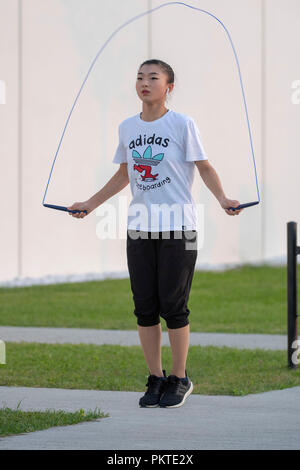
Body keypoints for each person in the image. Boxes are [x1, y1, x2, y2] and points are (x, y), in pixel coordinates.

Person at [67, 59, 243, 409]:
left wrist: (223, 199)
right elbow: (125, 174)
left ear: (169, 87)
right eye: (139, 77)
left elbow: (204, 167)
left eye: (153, 77)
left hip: (180, 227)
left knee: (174, 306)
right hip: (140, 227)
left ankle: (180, 378)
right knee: (144, 306)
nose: (144, 83)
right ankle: (156, 378)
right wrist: (90, 203)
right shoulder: (128, 127)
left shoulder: (183, 124)